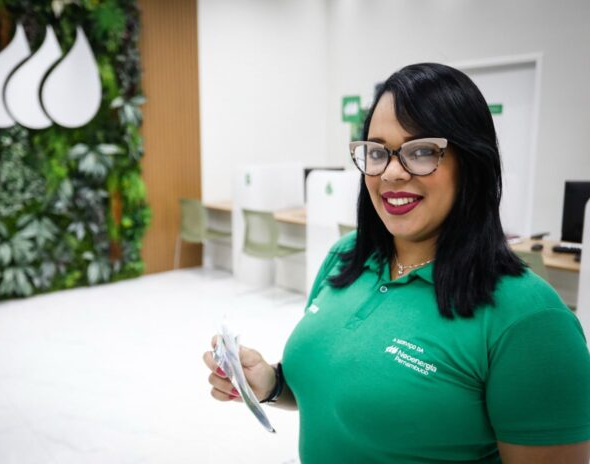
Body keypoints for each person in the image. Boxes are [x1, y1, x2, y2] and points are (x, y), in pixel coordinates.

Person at [202, 63, 590, 463]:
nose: (391, 172)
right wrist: (270, 383)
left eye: (421, 152)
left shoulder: (530, 320)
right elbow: (332, 395)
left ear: (471, 162)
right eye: (377, 152)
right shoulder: (346, 257)